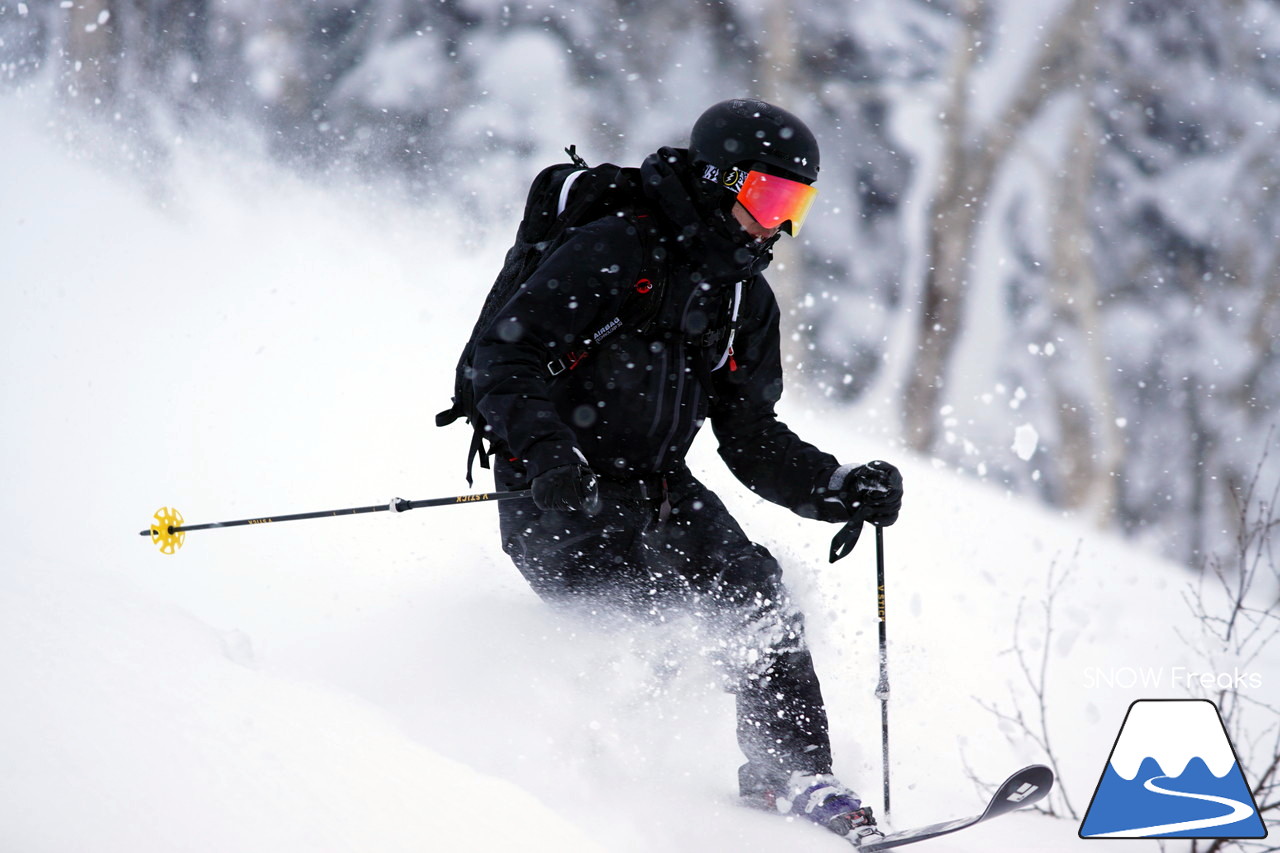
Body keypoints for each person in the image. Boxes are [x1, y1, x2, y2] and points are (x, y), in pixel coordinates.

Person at [470, 98, 904, 843]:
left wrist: (833, 487)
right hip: (557, 491)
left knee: (756, 591)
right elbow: (503, 361)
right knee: (650, 616)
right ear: (718, 178)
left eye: (795, 203)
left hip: (662, 485)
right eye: (769, 197)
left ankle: (790, 768)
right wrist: (547, 456)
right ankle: (592, 804)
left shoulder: (744, 299)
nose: (780, 223)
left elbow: (751, 434)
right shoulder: (615, 251)